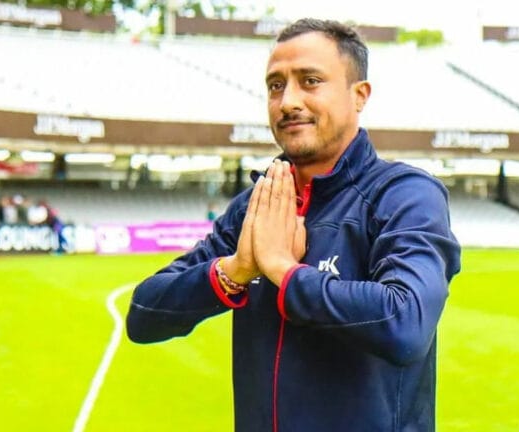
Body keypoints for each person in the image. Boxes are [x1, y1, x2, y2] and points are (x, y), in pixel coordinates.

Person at [126, 18, 461, 432]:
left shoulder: (404, 195)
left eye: (310, 81)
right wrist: (235, 270)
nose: (287, 101)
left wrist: (284, 272)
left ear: (359, 95)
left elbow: (406, 324)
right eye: (275, 85)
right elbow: (143, 315)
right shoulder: (257, 204)